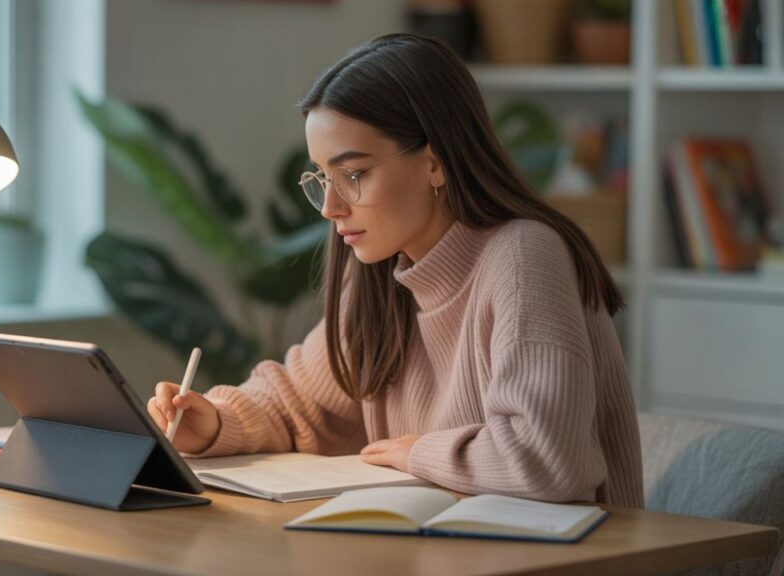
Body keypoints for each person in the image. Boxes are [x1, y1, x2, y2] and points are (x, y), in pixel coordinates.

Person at [147, 33, 643, 507]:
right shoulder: (382, 270)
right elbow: (300, 403)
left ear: (435, 163)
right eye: (322, 177)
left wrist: (417, 452)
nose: (330, 207)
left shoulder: (523, 257)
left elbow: (547, 459)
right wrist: (213, 422)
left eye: (354, 174)